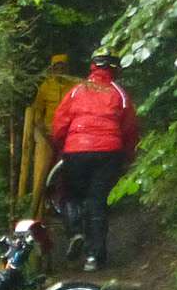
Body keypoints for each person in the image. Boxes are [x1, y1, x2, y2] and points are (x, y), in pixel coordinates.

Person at [50, 48, 139, 272]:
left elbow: (60, 124)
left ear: (93, 67)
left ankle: (75, 231)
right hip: (109, 152)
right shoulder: (119, 93)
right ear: (114, 68)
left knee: (69, 195)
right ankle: (94, 257)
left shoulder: (76, 91)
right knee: (97, 202)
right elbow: (129, 129)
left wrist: (64, 147)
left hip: (76, 150)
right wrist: (128, 156)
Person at [18, 52, 80, 216]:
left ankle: (69, 201)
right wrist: (42, 129)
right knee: (47, 167)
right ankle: (46, 202)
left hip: (71, 133)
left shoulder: (74, 86)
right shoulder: (45, 87)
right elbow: (37, 110)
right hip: (48, 134)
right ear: (51, 69)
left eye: (62, 67)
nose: (59, 70)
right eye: (56, 67)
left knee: (68, 167)